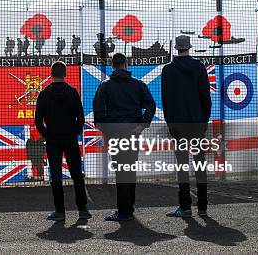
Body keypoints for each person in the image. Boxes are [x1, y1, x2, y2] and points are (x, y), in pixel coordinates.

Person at [93, 53, 156, 221]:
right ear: (126, 64)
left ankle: (123, 211)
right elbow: (151, 105)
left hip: (115, 134)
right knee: (130, 170)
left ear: (112, 65)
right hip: (132, 133)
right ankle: (129, 208)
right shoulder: (137, 85)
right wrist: (142, 125)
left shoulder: (105, 86)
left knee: (121, 172)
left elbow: (98, 111)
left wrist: (106, 130)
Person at [161, 35, 211, 218]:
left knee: (182, 165)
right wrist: (204, 120)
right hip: (197, 123)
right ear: (189, 47)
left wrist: (170, 122)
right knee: (200, 164)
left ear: (176, 49)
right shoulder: (199, 67)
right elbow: (206, 96)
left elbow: (165, 100)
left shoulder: (168, 70)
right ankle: (203, 206)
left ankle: (185, 207)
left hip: (178, 125)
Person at [35, 61, 90, 221]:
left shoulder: (44, 94)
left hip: (53, 139)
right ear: (65, 74)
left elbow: (38, 121)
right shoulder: (72, 92)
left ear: (51, 74)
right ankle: (82, 209)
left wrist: (47, 134)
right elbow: (80, 117)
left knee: (56, 175)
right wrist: (74, 132)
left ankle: (60, 211)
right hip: (70, 138)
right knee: (76, 174)